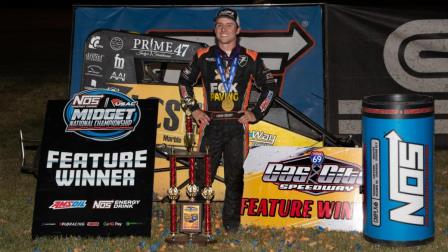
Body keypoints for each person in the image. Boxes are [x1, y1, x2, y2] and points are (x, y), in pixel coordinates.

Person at [178, 7, 276, 232]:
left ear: (238, 29)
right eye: (220, 25)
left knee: (234, 178)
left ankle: (231, 225)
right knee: (203, 176)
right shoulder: (203, 55)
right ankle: (196, 224)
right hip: (210, 125)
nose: (224, 29)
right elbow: (184, 83)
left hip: (236, 126)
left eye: (229, 25)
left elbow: (270, 87)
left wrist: (256, 113)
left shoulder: (250, 57)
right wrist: (193, 109)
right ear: (214, 29)